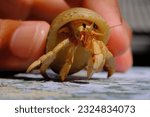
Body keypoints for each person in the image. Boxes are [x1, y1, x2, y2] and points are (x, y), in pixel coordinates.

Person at [0, 0, 133, 73]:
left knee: (101, 48)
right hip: (67, 39)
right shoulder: (67, 33)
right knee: (63, 53)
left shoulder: (89, 34)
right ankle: (47, 68)